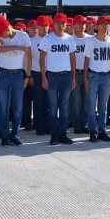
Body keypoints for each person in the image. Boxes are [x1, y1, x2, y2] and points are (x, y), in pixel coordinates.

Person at [0, 16, 32, 146]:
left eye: (1, 32)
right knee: (3, 107)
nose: (0, 36)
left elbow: (29, 55)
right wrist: (17, 47)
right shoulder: (0, 36)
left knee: (17, 107)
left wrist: (28, 75)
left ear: (7, 28)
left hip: (18, 75)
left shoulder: (23, 36)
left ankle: (15, 135)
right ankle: (4, 136)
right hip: (3, 74)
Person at [39, 13, 76, 145]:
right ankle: (54, 135)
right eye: (58, 22)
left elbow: (72, 58)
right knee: (53, 107)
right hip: (52, 76)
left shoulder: (70, 39)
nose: (60, 25)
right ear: (53, 24)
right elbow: (42, 58)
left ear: (66, 25)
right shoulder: (48, 39)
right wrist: (43, 77)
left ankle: (63, 134)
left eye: (63, 23)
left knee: (64, 107)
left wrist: (73, 77)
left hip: (66, 76)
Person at [83, 16, 110, 142]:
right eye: (103, 24)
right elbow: (86, 60)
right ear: (97, 26)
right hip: (93, 76)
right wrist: (86, 78)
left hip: (106, 76)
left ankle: (102, 130)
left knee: (103, 106)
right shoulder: (91, 41)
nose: (105, 26)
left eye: (107, 24)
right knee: (92, 105)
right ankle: (92, 130)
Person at [70, 15, 91, 133]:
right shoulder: (70, 39)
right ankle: (77, 124)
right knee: (75, 100)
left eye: (84, 24)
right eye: (80, 23)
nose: (83, 26)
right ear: (74, 25)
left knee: (87, 100)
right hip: (75, 72)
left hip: (87, 73)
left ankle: (84, 124)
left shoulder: (90, 38)